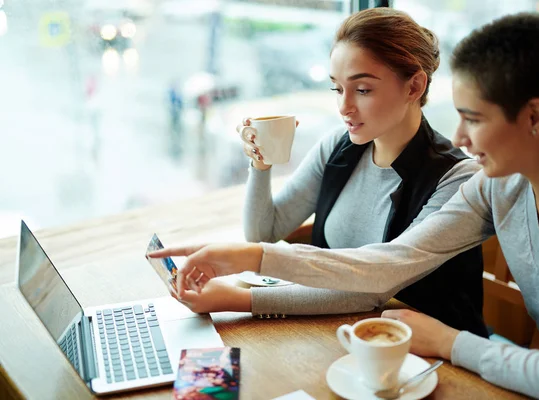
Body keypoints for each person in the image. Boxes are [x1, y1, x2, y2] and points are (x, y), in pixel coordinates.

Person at [150, 12, 539, 399]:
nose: (460, 138)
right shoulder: (497, 187)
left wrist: (447, 341)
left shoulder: (466, 176)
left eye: (474, 119)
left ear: (535, 119)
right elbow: (389, 264)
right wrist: (248, 254)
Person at [164, 8, 488, 337]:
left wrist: (238, 298)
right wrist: (260, 164)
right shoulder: (340, 146)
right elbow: (265, 231)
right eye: (337, 89)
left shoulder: (457, 179)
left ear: (414, 86)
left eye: (362, 90)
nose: (344, 107)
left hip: (435, 362)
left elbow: (371, 287)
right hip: (345, 337)